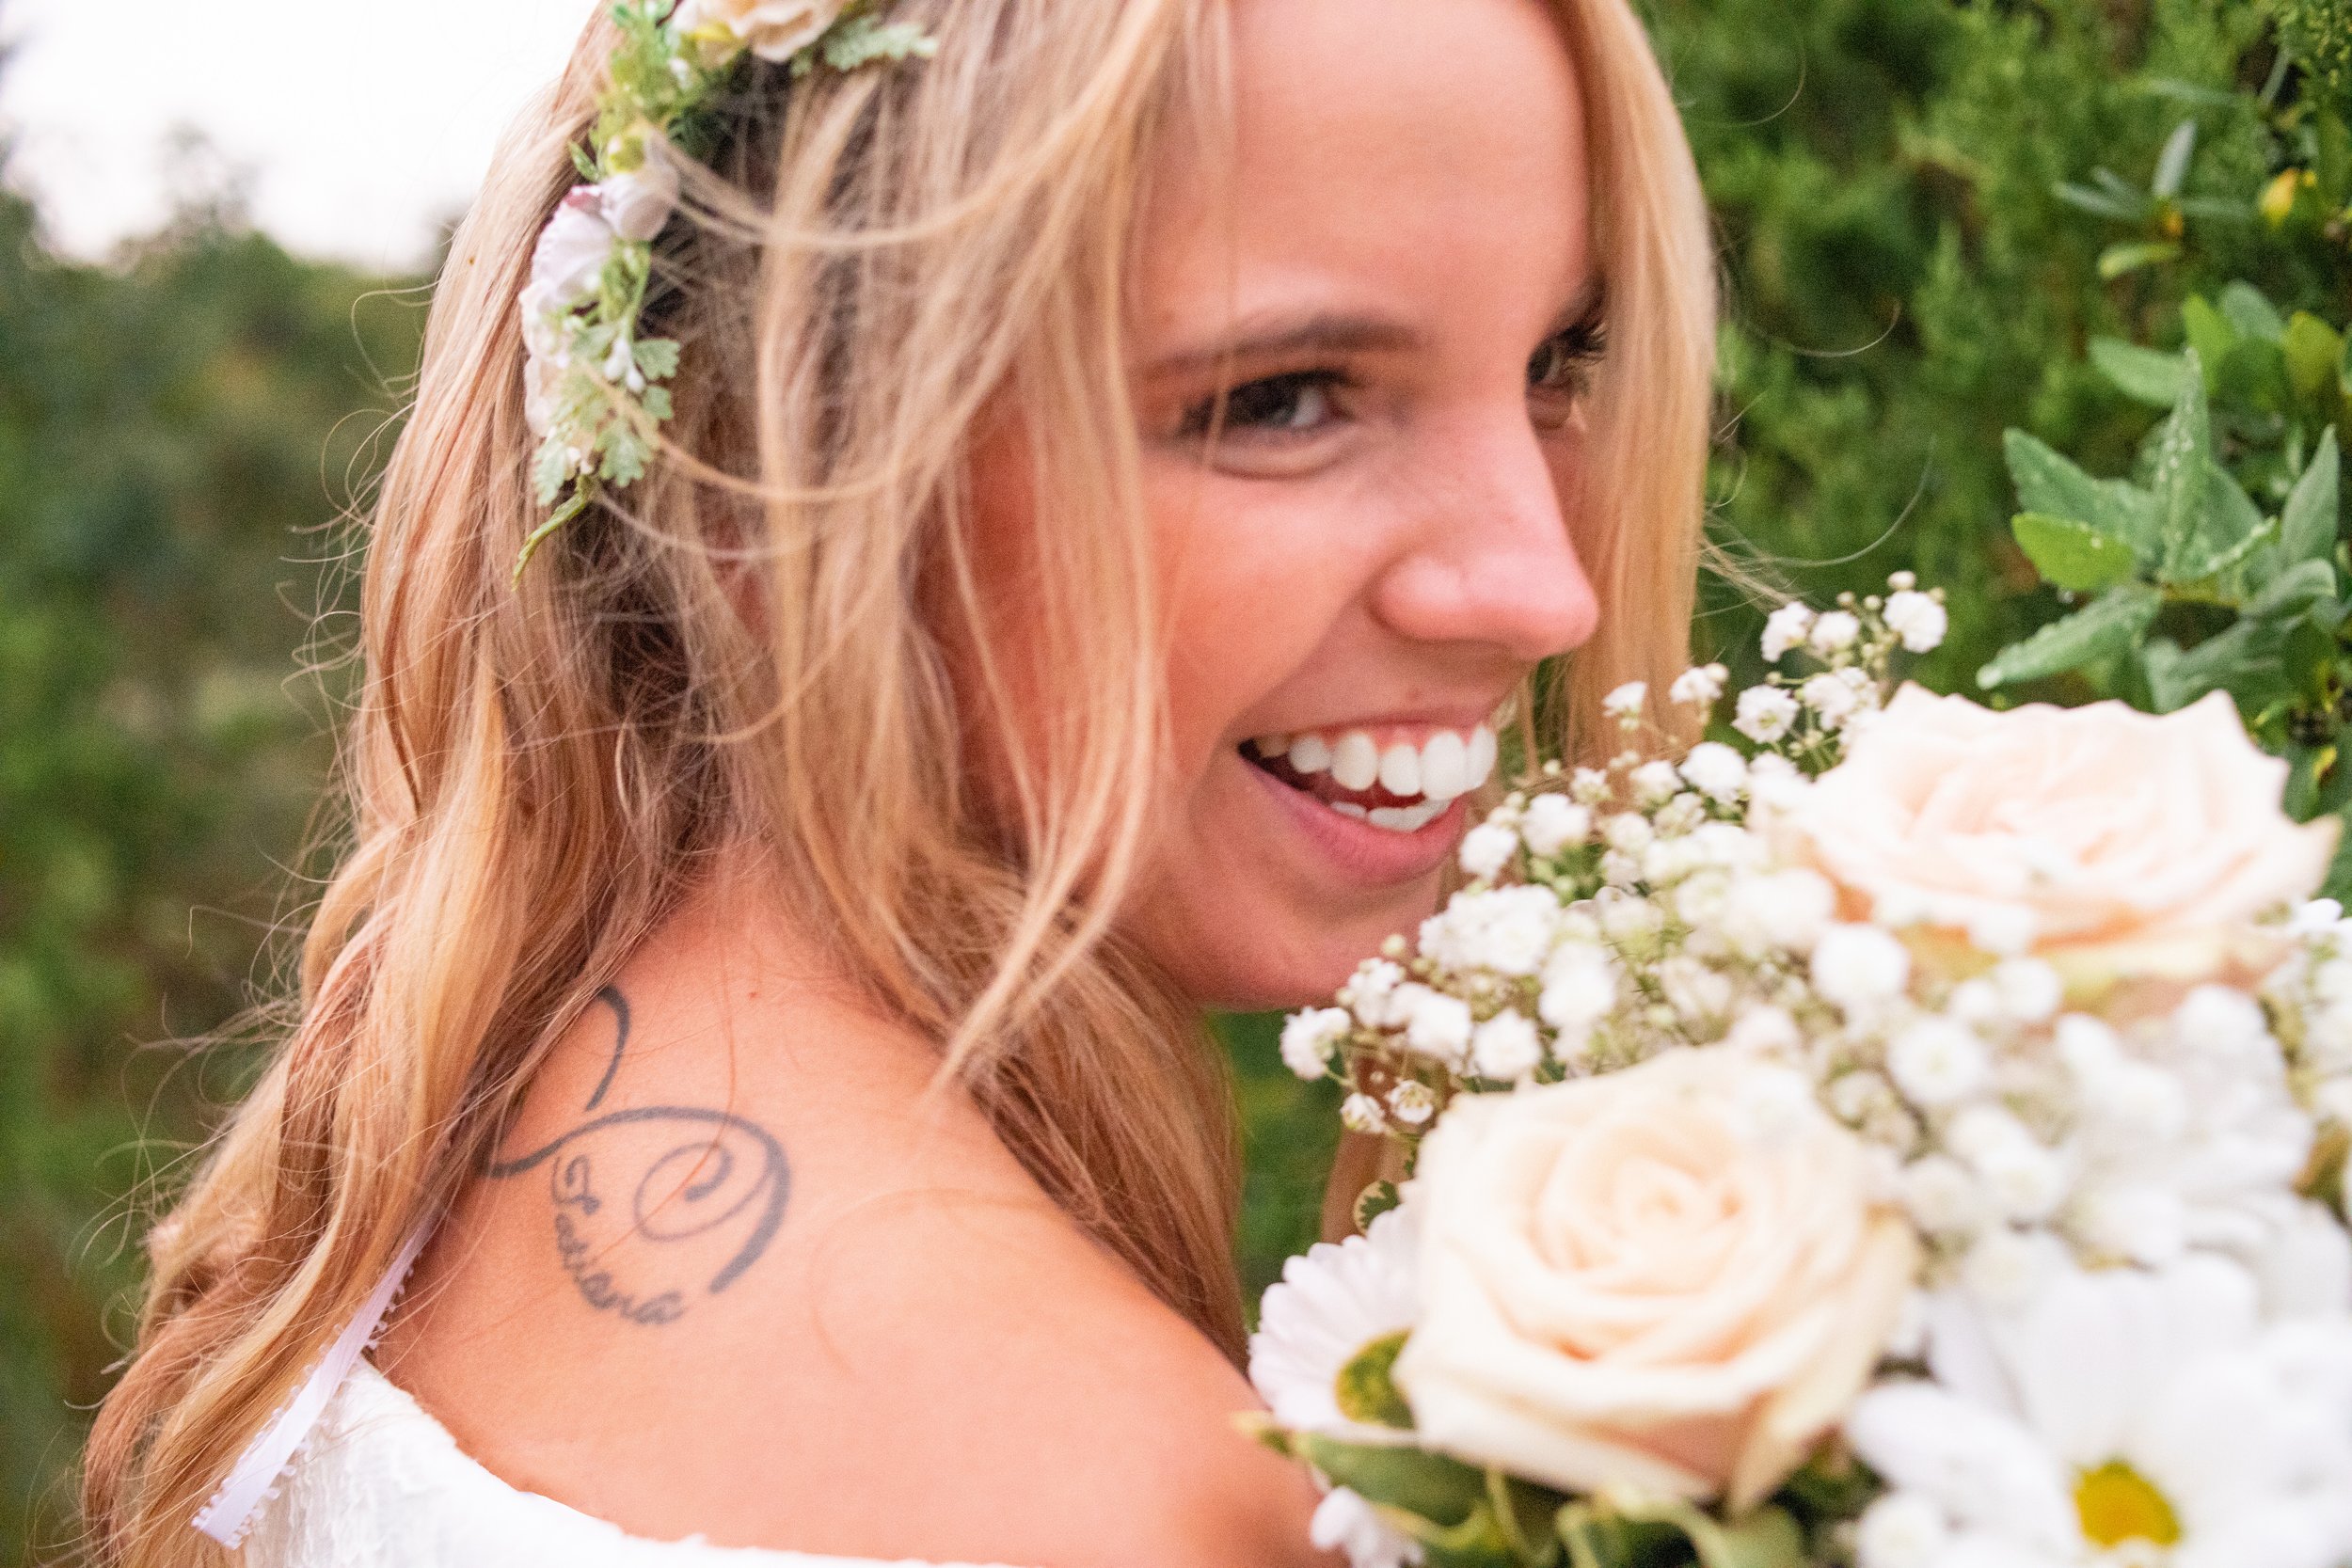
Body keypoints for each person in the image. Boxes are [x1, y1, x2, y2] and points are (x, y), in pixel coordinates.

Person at [83, 0, 1712, 1562]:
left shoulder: (432, 1099)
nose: (1539, 589)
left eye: (1562, 359)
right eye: (1280, 400)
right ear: (773, 462)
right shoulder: (1135, 1510)